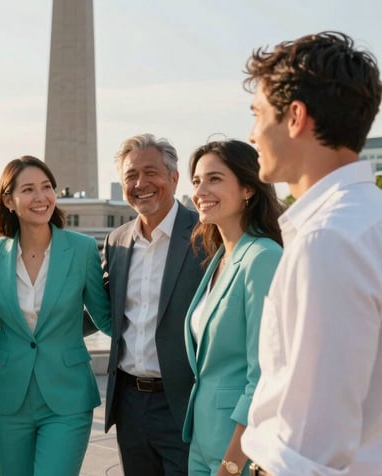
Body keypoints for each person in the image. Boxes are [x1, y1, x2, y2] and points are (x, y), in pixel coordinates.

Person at [239, 31, 382, 476]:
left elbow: (309, 446)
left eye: (258, 114)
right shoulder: (365, 220)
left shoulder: (328, 239)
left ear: (295, 117)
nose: (252, 133)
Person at [0, 155, 111, 476]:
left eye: (47, 187)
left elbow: (105, 318)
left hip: (69, 398)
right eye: (29, 189)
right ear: (9, 200)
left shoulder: (81, 249)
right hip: (8, 400)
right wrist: (11, 349)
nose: (41, 197)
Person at [102, 133, 205, 475]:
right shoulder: (116, 242)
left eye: (151, 172)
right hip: (129, 403)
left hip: (182, 402)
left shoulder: (206, 235)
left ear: (174, 178)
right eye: (131, 176)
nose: (141, 183)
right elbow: (104, 309)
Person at [182, 140, 283, 476]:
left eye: (214, 179)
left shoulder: (263, 257)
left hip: (237, 449)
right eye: (196, 181)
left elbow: (264, 375)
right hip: (202, 440)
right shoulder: (220, 259)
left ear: (248, 189)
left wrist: (233, 461)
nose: (200, 190)